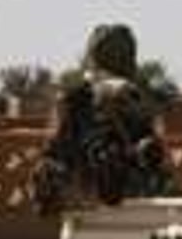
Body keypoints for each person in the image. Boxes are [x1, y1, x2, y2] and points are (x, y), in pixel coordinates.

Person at [32, 23, 172, 215]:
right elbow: (160, 166)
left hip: (84, 220)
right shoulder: (140, 100)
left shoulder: (72, 100)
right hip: (139, 216)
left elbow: (50, 165)